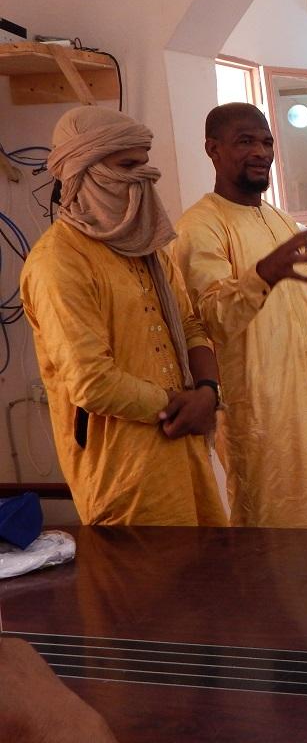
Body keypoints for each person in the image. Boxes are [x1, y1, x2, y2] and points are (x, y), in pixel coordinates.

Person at [173, 102, 307, 529]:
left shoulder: (281, 222)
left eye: (266, 142)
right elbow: (212, 320)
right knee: (273, 530)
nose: (260, 152)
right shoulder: (200, 227)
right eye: (245, 141)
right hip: (257, 410)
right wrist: (262, 275)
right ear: (213, 149)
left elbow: (296, 312)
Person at [20, 106, 225, 526]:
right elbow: (92, 382)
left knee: (211, 565)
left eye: (145, 164)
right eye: (128, 167)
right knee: (145, 570)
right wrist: (180, 406)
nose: (144, 178)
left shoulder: (149, 252)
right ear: (83, 172)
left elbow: (189, 325)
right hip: (124, 476)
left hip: (187, 455)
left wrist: (207, 392)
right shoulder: (58, 262)